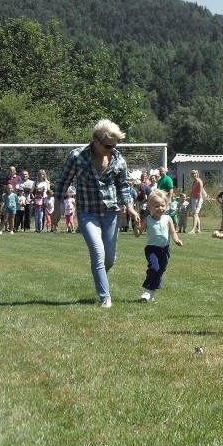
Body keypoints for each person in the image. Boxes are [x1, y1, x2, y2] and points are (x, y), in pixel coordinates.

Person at [54, 119, 140, 308]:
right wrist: (57, 207)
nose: (111, 149)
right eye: (108, 145)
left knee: (109, 258)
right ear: (95, 141)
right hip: (87, 213)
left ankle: (99, 275)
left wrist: (132, 209)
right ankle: (105, 297)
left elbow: (123, 187)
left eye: (114, 145)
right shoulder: (77, 156)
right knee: (97, 252)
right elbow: (63, 181)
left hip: (111, 213)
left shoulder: (119, 160)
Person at [134, 189, 183, 303]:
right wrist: (136, 226)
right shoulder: (147, 220)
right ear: (149, 207)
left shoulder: (168, 218)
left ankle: (152, 292)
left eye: (163, 205)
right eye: (156, 206)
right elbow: (137, 234)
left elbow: (173, 232)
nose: (160, 208)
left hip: (165, 249)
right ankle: (147, 290)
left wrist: (176, 240)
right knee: (154, 268)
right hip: (152, 249)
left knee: (161, 270)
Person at [189, 169, 205, 234]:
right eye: (192, 174)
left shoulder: (199, 181)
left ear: (197, 174)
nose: (194, 175)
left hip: (198, 199)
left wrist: (198, 201)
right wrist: (190, 199)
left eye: (195, 173)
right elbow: (192, 191)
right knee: (196, 215)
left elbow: (200, 192)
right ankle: (198, 229)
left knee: (195, 214)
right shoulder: (194, 182)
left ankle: (193, 229)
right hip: (193, 198)